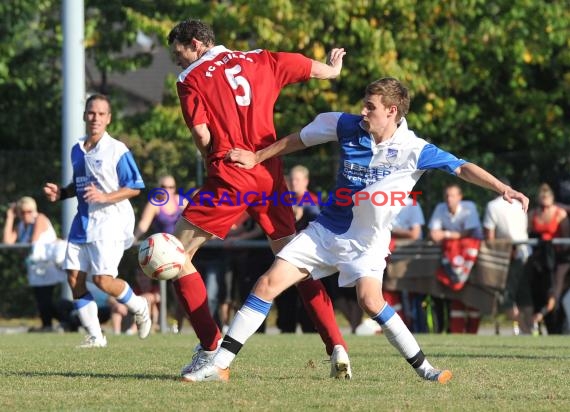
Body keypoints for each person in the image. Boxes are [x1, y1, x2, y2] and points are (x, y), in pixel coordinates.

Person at [184, 77, 529, 382]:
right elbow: (298, 140)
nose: (363, 112)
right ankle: (220, 366)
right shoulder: (344, 125)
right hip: (326, 231)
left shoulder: (414, 149)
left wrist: (503, 189)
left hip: (368, 242)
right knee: (267, 283)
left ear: (392, 111)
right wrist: (258, 158)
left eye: (371, 107)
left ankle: (426, 370)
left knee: (370, 300)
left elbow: (462, 168)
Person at [166, 19, 350, 379]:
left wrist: (210, 153)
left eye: (179, 54)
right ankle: (336, 346)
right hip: (269, 175)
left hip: (230, 176)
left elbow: (203, 136)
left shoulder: (190, 79)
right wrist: (332, 68)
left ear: (197, 44)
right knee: (295, 263)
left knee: (174, 255)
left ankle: (209, 346)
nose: (178, 62)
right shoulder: (261, 58)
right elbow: (312, 69)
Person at [43, 94, 152, 348]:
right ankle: (95, 336)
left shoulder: (116, 150)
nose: (96, 118)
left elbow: (135, 187)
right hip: (82, 221)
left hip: (109, 222)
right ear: (84, 116)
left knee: (103, 280)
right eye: (91, 113)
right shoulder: (77, 149)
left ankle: (139, 305)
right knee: (74, 278)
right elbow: (79, 187)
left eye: (101, 114)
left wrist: (105, 196)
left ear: (109, 119)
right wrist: (62, 193)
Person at [133, 174, 188, 333]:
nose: (168, 190)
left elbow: (195, 220)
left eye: (171, 187)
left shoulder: (181, 201)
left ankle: (178, 325)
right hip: (159, 255)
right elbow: (143, 225)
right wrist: (133, 240)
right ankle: (158, 325)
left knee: (181, 293)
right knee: (157, 293)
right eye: (164, 187)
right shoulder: (155, 203)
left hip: (179, 254)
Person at [3, 196, 66, 332]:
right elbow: (8, 242)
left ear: (34, 210)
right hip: (35, 268)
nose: (26, 215)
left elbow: (33, 241)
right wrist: (10, 217)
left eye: (29, 211)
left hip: (49, 266)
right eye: (22, 212)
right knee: (41, 299)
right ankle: (51, 325)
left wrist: (21, 248)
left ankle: (57, 324)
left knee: (45, 299)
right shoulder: (21, 225)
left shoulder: (40, 218)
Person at [428, 184, 483, 334]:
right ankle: (453, 329)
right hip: (451, 258)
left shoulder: (469, 207)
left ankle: (472, 331)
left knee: (472, 294)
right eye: (446, 195)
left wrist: (445, 235)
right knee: (453, 296)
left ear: (460, 197)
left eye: (452, 195)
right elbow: (433, 233)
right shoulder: (440, 208)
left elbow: (469, 232)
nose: (449, 199)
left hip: (471, 258)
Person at [483, 178, 533, 334]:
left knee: (506, 299)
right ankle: (531, 330)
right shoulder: (519, 204)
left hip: (507, 256)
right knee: (525, 296)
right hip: (526, 253)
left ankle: (525, 330)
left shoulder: (492, 206)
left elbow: (489, 238)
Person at [275, 165, 321, 334]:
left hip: (305, 257)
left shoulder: (312, 201)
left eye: (298, 179)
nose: (293, 183)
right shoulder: (284, 200)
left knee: (306, 296)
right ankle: (286, 329)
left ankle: (310, 329)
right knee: (285, 297)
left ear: (306, 182)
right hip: (285, 255)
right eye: (291, 179)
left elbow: (314, 219)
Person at [527, 183, 570, 334]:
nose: (544, 199)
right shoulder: (533, 213)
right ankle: (537, 317)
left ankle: (542, 314)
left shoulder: (560, 213)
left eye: (547, 196)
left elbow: (565, 240)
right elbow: (527, 233)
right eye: (542, 196)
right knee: (536, 288)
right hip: (540, 259)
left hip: (558, 258)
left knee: (555, 288)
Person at [388, 197, 427, 332]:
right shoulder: (384, 201)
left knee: (414, 298)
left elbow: (415, 234)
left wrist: (392, 231)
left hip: (413, 261)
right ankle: (404, 328)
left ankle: (418, 328)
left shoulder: (412, 204)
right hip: (392, 262)